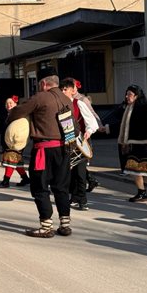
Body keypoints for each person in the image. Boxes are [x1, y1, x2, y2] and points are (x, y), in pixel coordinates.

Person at [7, 67, 75, 238]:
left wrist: (11, 114)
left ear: (43, 83)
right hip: (65, 148)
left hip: (44, 150)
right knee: (61, 187)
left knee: (40, 187)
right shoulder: (67, 99)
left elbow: (18, 112)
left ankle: (46, 225)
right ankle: (65, 224)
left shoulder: (40, 97)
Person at [60, 78, 99, 211]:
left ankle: (83, 200)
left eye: (66, 89)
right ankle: (74, 197)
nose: (63, 91)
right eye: (62, 89)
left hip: (80, 142)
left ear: (72, 91)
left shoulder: (79, 103)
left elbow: (92, 122)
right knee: (70, 173)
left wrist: (88, 131)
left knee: (81, 174)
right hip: (66, 143)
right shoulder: (60, 105)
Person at [71, 80, 103, 191]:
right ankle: (90, 181)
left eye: (72, 87)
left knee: (79, 164)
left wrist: (98, 125)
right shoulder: (66, 99)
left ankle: (80, 194)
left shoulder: (81, 100)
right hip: (71, 138)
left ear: (76, 87)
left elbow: (92, 113)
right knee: (76, 165)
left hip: (82, 136)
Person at [0, 95, 30, 188]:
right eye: (7, 103)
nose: (8, 105)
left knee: (10, 160)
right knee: (17, 161)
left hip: (15, 142)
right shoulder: (6, 115)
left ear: (16, 104)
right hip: (6, 141)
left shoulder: (19, 115)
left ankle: (5, 181)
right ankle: (25, 179)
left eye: (10, 103)